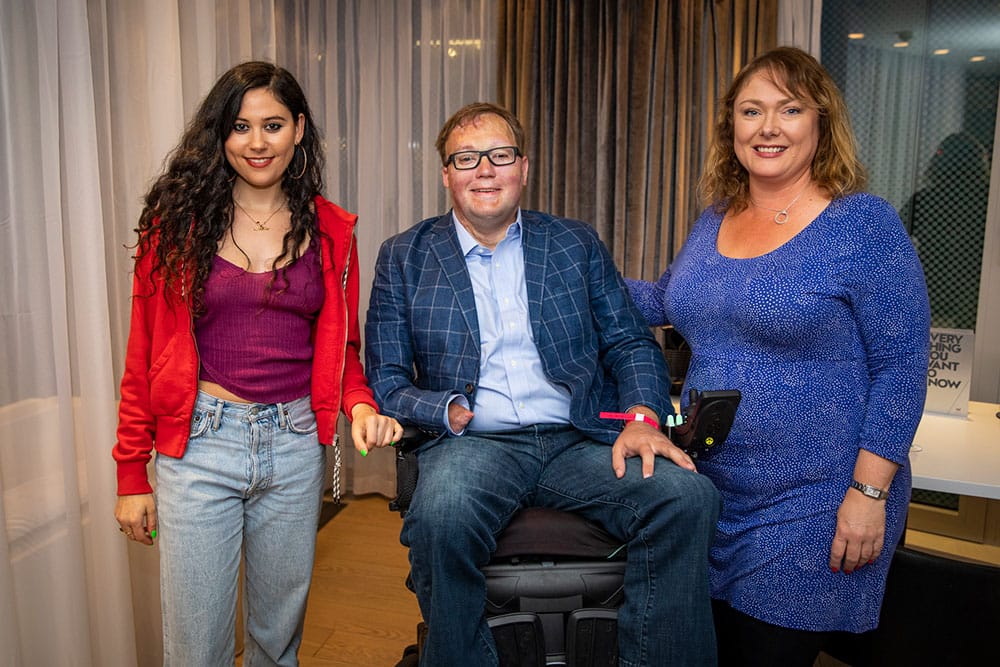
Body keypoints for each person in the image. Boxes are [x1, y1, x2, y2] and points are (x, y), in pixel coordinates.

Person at [364, 102, 721, 667]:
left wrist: (644, 419)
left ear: (523, 168)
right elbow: (384, 378)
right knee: (441, 517)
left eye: (500, 155)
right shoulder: (405, 256)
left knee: (687, 498)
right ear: (446, 174)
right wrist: (444, 408)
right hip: (474, 444)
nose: (485, 169)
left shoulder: (573, 244)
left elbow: (630, 344)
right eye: (466, 158)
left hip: (575, 439)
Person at [627, 47, 930, 666]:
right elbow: (667, 300)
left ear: (820, 123)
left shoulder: (862, 225)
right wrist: (576, 272)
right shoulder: (716, 218)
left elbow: (901, 367)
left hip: (815, 499)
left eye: (789, 109)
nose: (768, 127)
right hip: (709, 486)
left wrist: (868, 498)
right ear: (730, 127)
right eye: (751, 110)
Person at [112, 61, 401, 666]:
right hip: (198, 446)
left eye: (272, 125)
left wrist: (360, 403)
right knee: (196, 650)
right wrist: (131, 475)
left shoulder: (331, 231)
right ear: (221, 134)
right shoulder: (175, 226)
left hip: (295, 446)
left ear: (298, 129)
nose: (256, 142)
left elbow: (342, 348)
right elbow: (144, 356)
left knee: (277, 644)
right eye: (240, 126)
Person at [900, 131, 990, 330]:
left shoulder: (925, 200)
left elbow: (891, 241)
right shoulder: (988, 204)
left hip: (931, 291)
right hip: (974, 295)